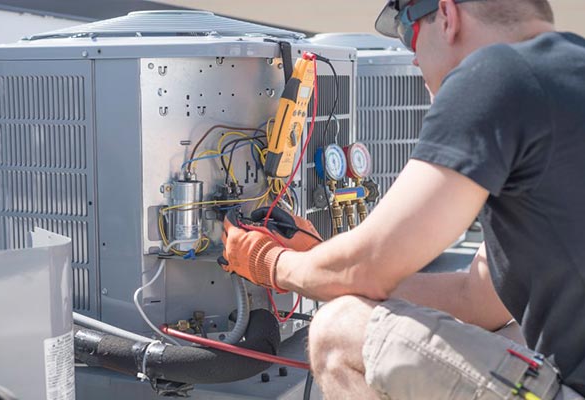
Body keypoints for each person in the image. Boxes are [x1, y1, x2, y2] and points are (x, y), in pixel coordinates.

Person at [220, 0, 585, 398]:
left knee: (339, 330)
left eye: (408, 33)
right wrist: (320, 257)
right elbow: (478, 299)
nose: (412, 60)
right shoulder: (568, 74)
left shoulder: (497, 74)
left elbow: (369, 267)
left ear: (447, 15)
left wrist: (270, 262)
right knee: (505, 327)